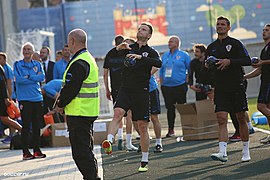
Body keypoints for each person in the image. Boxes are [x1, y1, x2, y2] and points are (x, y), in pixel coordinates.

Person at [102, 22, 162, 172]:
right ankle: (109, 141)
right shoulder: (129, 47)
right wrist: (117, 48)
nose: (140, 31)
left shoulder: (151, 51)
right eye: (139, 28)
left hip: (141, 91)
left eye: (144, 29)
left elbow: (158, 63)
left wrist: (140, 57)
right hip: (125, 89)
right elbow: (109, 59)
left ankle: (144, 160)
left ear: (148, 35)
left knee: (142, 126)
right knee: (117, 114)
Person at [54, 29, 100, 180]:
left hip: (79, 113)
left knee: (81, 153)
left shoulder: (79, 62)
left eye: (69, 42)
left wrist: (60, 105)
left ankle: (92, 178)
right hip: (86, 111)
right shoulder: (87, 58)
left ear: (73, 41)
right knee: (86, 150)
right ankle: (92, 177)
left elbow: (71, 88)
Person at [206, 16, 251, 162]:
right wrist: (208, 65)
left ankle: (245, 150)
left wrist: (230, 61)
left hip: (236, 85)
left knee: (241, 118)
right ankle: (222, 152)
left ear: (228, 27)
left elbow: (247, 60)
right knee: (221, 119)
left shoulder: (236, 44)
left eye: (223, 24)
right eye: (218, 24)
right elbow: (207, 66)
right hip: (220, 87)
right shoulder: (211, 47)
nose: (220, 26)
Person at [103, 36, 138, 151]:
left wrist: (107, 89)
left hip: (115, 88)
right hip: (127, 88)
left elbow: (105, 73)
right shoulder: (129, 53)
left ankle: (116, 138)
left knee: (117, 115)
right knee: (128, 115)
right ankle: (127, 142)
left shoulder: (110, 54)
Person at [13, 42, 46, 160]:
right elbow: (19, 80)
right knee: (26, 126)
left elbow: (42, 77)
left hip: (37, 98)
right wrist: (33, 77)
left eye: (29, 49)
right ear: (22, 52)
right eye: (25, 49)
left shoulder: (37, 64)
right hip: (24, 99)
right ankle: (25, 152)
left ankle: (37, 150)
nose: (26, 51)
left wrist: (28, 76)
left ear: (32, 52)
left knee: (37, 125)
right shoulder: (17, 64)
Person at [159, 35, 191, 137]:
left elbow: (190, 69)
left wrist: (186, 80)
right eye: (169, 41)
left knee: (182, 107)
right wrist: (162, 81)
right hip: (167, 87)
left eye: (171, 42)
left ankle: (187, 129)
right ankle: (171, 130)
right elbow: (161, 70)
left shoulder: (184, 55)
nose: (169, 43)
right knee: (170, 108)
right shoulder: (165, 55)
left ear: (177, 44)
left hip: (180, 85)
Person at [244, 23, 270, 143]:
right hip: (265, 80)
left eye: (267, 30)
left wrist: (262, 62)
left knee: (261, 106)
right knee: (268, 108)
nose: (264, 32)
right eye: (263, 30)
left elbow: (262, 64)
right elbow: (259, 70)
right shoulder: (264, 49)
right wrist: (245, 77)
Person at [0, 52, 22, 143]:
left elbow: (6, 84)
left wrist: (7, 98)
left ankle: (23, 131)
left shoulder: (4, 69)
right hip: (4, 97)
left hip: (3, 98)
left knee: (6, 118)